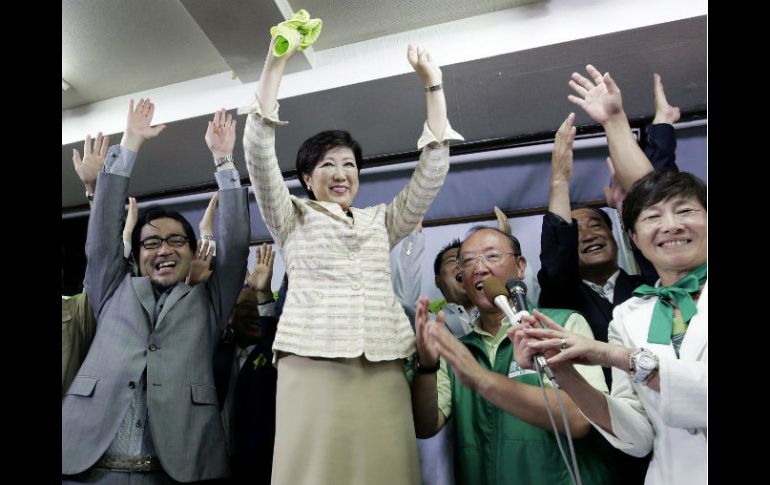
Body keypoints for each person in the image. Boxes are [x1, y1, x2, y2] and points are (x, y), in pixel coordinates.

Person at [239, 31, 463, 483]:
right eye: (328, 164)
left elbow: (432, 172)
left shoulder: (381, 220)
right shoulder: (290, 215)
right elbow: (258, 152)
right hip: (312, 361)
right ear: (307, 178)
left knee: (386, 469)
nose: (341, 174)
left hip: (382, 363)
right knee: (315, 470)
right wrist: (276, 62)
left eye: (349, 165)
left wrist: (433, 85)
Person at [513, 68, 707, 485]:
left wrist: (612, 355)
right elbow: (636, 436)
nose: (670, 225)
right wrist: (563, 368)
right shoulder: (630, 316)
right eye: (652, 219)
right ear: (634, 236)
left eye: (686, 211)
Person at [62, 102, 250, 483]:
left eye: (176, 240)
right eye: (151, 243)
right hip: (88, 467)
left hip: (172, 471)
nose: (164, 249)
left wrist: (223, 160)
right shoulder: (112, 288)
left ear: (193, 251)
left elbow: (235, 246)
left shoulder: (209, 302)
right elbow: (101, 240)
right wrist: (130, 143)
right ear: (136, 255)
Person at [412, 226, 614, 485]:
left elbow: (580, 419)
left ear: (520, 267)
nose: (479, 268)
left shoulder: (560, 326)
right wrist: (427, 366)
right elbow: (426, 426)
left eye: (492, 256)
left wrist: (483, 380)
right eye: (468, 261)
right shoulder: (456, 351)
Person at [214, 243, 279, 485]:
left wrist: (263, 296)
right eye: (246, 307)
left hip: (260, 466)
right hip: (217, 464)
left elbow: (270, 337)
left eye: (256, 309)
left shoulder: (270, 355)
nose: (253, 315)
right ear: (229, 315)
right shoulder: (217, 353)